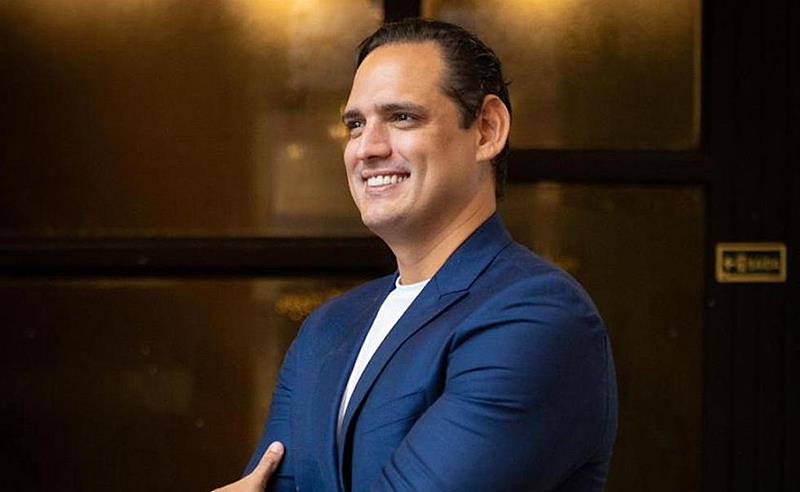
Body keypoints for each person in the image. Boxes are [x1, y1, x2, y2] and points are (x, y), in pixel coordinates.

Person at [214, 19, 617, 492]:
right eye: (355, 125)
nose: (367, 148)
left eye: (402, 117)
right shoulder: (327, 329)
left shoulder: (536, 316)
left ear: (487, 130)